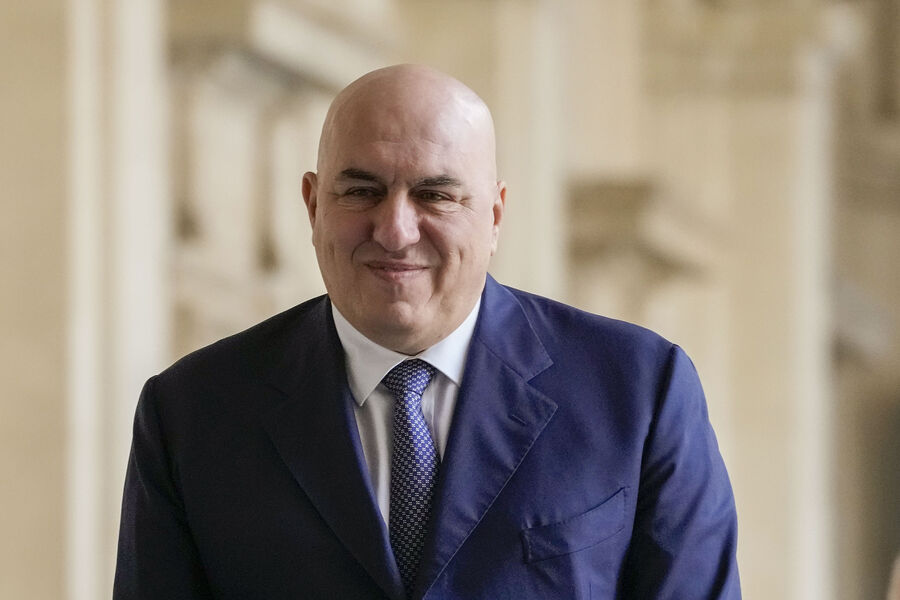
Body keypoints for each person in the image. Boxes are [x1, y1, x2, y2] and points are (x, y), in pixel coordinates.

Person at [114, 64, 741, 599]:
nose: (396, 230)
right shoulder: (193, 413)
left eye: (436, 195)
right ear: (313, 205)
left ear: (494, 216)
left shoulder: (638, 392)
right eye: (362, 191)